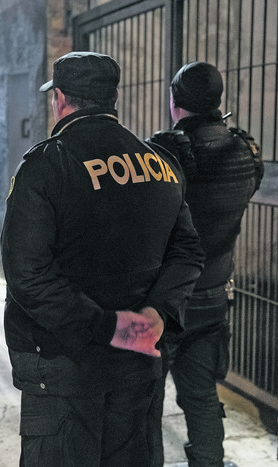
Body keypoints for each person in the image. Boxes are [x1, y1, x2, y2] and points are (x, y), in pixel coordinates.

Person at [1, 51, 205, 466]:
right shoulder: (160, 163)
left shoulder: (46, 165)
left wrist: (106, 326)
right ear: (114, 97)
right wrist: (157, 313)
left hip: (62, 370)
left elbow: (27, 274)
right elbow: (187, 251)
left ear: (59, 98)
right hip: (138, 367)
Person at [147, 61, 264, 467]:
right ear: (219, 101)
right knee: (201, 396)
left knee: (145, 400)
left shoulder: (162, 151)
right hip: (214, 297)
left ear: (174, 101)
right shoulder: (246, 151)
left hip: (163, 302)